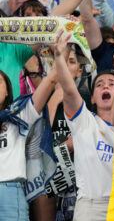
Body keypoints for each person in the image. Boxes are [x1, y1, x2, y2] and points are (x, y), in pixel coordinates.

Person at [53, 31, 114, 221]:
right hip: (90, 206)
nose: (105, 87)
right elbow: (68, 89)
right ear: (92, 98)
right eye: (99, 84)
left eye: (112, 84)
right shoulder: (84, 121)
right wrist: (59, 57)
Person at [0, 66, 56, 220]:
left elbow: (51, 80)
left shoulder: (19, 117)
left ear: (7, 92)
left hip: (8, 194)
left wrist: (61, 52)